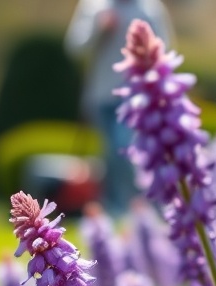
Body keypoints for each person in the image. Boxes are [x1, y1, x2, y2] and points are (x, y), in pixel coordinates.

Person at [65, 0, 173, 217]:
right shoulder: (94, 6)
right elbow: (74, 47)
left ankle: (138, 205)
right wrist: (99, 28)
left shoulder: (150, 8)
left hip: (137, 96)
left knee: (124, 148)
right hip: (101, 96)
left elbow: (166, 48)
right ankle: (118, 206)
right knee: (111, 155)